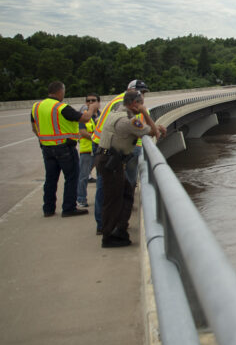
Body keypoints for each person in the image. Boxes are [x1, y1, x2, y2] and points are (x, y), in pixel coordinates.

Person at [91, 79, 165, 234]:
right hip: (111, 161)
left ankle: (116, 228)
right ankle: (109, 233)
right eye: (140, 101)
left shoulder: (118, 110)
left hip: (106, 156)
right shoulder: (129, 120)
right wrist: (145, 113)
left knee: (123, 193)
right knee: (113, 198)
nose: (143, 102)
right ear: (133, 104)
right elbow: (154, 133)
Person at [31, 81, 99, 217]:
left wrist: (45, 139)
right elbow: (85, 118)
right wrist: (92, 108)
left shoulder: (36, 107)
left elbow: (34, 127)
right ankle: (69, 208)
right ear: (60, 92)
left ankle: (48, 209)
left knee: (50, 179)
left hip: (47, 148)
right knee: (72, 177)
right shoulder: (61, 107)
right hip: (64, 148)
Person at [76, 93, 101, 209]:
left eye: (93, 100)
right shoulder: (84, 116)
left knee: (102, 175)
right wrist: (96, 138)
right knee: (83, 176)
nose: (90, 103)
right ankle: (81, 199)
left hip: (100, 150)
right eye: (88, 101)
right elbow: (82, 132)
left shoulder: (102, 115)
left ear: (99, 103)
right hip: (88, 150)